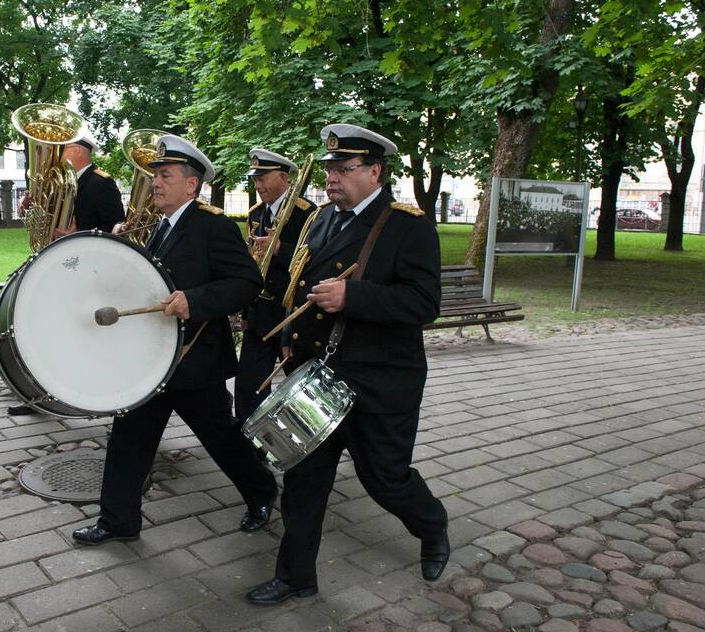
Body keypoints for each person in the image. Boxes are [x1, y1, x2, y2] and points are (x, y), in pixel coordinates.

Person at [247, 123, 448, 605]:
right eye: (330, 169)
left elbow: (424, 304)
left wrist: (352, 296)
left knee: (385, 478)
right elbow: (300, 285)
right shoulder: (320, 219)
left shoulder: (407, 225)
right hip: (320, 374)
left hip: (381, 379)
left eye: (344, 169)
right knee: (303, 479)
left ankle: (432, 525)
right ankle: (296, 576)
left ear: (375, 171)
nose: (331, 177)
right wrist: (290, 343)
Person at [72, 135, 278, 545]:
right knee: (129, 437)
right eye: (154, 176)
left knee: (221, 438)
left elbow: (247, 282)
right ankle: (119, 520)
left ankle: (261, 490)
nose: (155, 184)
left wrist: (196, 301)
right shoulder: (160, 227)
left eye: (165, 175)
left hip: (194, 358)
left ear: (191, 184)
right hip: (152, 358)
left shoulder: (213, 224)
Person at [9, 128, 126, 416]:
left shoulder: (102, 183)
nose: (57, 153)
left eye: (61, 147)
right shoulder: (54, 181)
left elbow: (117, 231)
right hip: (52, 265)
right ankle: (40, 393)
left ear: (76, 150)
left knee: (70, 333)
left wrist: (79, 234)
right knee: (44, 330)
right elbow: (40, 222)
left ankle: (75, 390)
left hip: (84, 273)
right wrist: (30, 208)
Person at [234, 148, 316, 422]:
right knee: (248, 383)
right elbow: (253, 268)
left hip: (290, 312)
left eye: (263, 178)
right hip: (260, 312)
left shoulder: (306, 212)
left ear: (283, 177)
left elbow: (315, 259)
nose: (258, 186)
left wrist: (280, 248)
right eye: (255, 180)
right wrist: (246, 311)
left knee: (300, 383)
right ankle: (249, 446)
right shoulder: (256, 214)